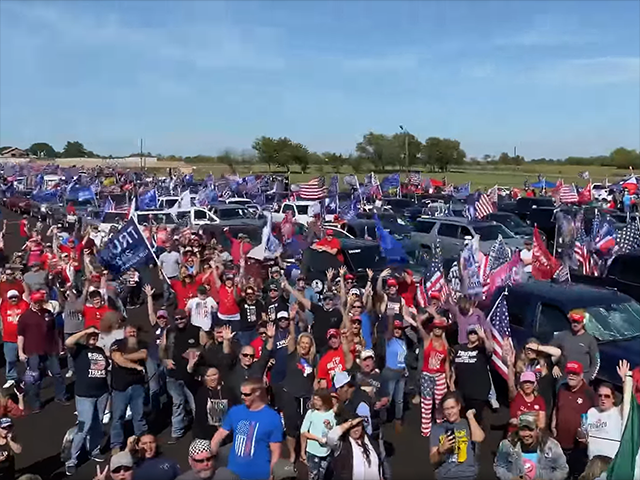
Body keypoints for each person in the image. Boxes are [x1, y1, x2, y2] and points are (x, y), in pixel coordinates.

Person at [210, 378, 284, 480]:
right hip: (233, 473)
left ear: (257, 393)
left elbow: (276, 450)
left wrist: (272, 474)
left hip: (259, 474)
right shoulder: (235, 411)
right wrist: (210, 456)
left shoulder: (272, 417)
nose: (242, 397)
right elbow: (220, 434)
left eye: (247, 394)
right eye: (241, 393)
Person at [64, 327, 110, 475]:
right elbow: (68, 342)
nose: (93, 338)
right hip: (85, 395)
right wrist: (84, 332)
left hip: (101, 393)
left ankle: (94, 450)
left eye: (96, 336)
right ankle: (72, 460)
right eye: (91, 336)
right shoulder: (79, 350)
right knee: (84, 427)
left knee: (98, 423)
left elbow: (105, 369)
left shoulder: (100, 351)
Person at [17, 290, 68, 412]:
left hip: (50, 349)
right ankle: (35, 403)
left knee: (57, 373)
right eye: (35, 302)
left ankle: (61, 396)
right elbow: (20, 336)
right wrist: (20, 352)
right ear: (31, 302)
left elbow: (55, 332)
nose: (38, 304)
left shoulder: (49, 313)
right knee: (34, 378)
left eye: (40, 301)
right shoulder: (25, 317)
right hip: (33, 351)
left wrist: (59, 345)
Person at [161, 309, 201, 443]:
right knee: (177, 403)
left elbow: (204, 347)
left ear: (187, 317)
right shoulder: (169, 331)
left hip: (191, 375)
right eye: (177, 319)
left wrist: (195, 354)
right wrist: (165, 360)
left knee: (195, 404)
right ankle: (176, 431)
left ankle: (200, 431)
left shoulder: (196, 330)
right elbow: (162, 348)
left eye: (182, 318)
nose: (179, 321)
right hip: (173, 374)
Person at [552, 361, 595, 479]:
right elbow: (556, 408)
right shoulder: (562, 388)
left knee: (575, 475)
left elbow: (596, 416)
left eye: (575, 374)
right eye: (569, 373)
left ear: (581, 375)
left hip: (578, 447)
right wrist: (553, 425)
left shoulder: (589, 393)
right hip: (559, 443)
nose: (571, 376)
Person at [109, 324, 148, 454]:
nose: (132, 333)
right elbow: (117, 359)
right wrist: (135, 366)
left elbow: (143, 354)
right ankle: (116, 444)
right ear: (124, 333)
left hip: (138, 386)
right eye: (129, 331)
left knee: (139, 416)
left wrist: (123, 356)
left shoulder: (141, 343)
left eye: (134, 331)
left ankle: (142, 441)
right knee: (118, 417)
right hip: (120, 387)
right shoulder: (117, 343)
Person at [494, 412, 569, 480]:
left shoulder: (551, 446)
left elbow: (562, 470)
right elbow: (499, 466)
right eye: (522, 430)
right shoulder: (507, 445)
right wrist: (511, 478)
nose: (526, 434)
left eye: (530, 430)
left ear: (537, 429)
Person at [429, 392, 485, 480]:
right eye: (446, 409)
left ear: (459, 406)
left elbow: (480, 438)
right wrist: (440, 450)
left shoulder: (468, 424)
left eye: (452, 407)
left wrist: (470, 417)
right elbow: (433, 460)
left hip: (468, 474)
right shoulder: (438, 428)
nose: (450, 412)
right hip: (446, 475)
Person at [585, 360, 630, 460]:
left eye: (607, 396)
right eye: (600, 396)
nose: (603, 398)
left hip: (610, 462)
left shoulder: (618, 412)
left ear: (613, 398)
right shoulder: (591, 412)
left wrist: (624, 380)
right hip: (592, 462)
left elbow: (628, 399)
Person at [451, 324, 492, 425]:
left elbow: (490, 350)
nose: (473, 335)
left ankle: (476, 438)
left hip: (478, 392)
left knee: (475, 420)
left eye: (475, 333)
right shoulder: (459, 348)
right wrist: (451, 382)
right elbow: (452, 366)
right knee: (461, 419)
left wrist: (484, 337)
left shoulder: (482, 349)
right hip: (461, 391)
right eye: (471, 333)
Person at [225, 324, 274, 402]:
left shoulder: (257, 367)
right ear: (240, 356)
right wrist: (226, 341)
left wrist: (271, 338)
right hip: (238, 405)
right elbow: (226, 356)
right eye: (245, 355)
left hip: (255, 405)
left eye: (251, 356)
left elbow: (266, 353)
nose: (248, 357)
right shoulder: (233, 368)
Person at [325, 414, 383, 480]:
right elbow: (331, 437)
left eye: (358, 426)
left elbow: (377, 463)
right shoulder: (342, 444)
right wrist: (350, 423)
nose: (356, 430)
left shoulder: (370, 441)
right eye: (352, 427)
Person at [550, 310, 599, 383]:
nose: (575, 324)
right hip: (563, 378)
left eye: (578, 322)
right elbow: (548, 353)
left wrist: (588, 378)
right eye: (573, 321)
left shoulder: (590, 339)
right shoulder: (561, 336)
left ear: (583, 323)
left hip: (581, 380)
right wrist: (554, 366)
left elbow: (596, 362)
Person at [192, 366, 236, 441]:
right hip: (207, 434)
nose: (212, 378)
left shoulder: (228, 391)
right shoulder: (201, 393)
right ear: (204, 378)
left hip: (227, 432)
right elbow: (200, 418)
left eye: (214, 375)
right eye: (208, 376)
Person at [300, 389, 336, 480]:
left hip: (327, 451)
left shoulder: (332, 414)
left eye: (318, 400)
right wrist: (303, 452)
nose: (315, 402)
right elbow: (303, 432)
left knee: (323, 476)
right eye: (314, 399)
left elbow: (335, 431)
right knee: (313, 476)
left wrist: (329, 426)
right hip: (312, 452)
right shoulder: (311, 413)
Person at [1, 289, 28, 386]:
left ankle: (29, 376)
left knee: (26, 358)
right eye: (11, 297)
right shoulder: (4, 306)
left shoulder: (24, 304)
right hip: (9, 338)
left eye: (15, 297)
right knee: (10, 359)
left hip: (24, 337)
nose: (13, 299)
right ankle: (11, 377)